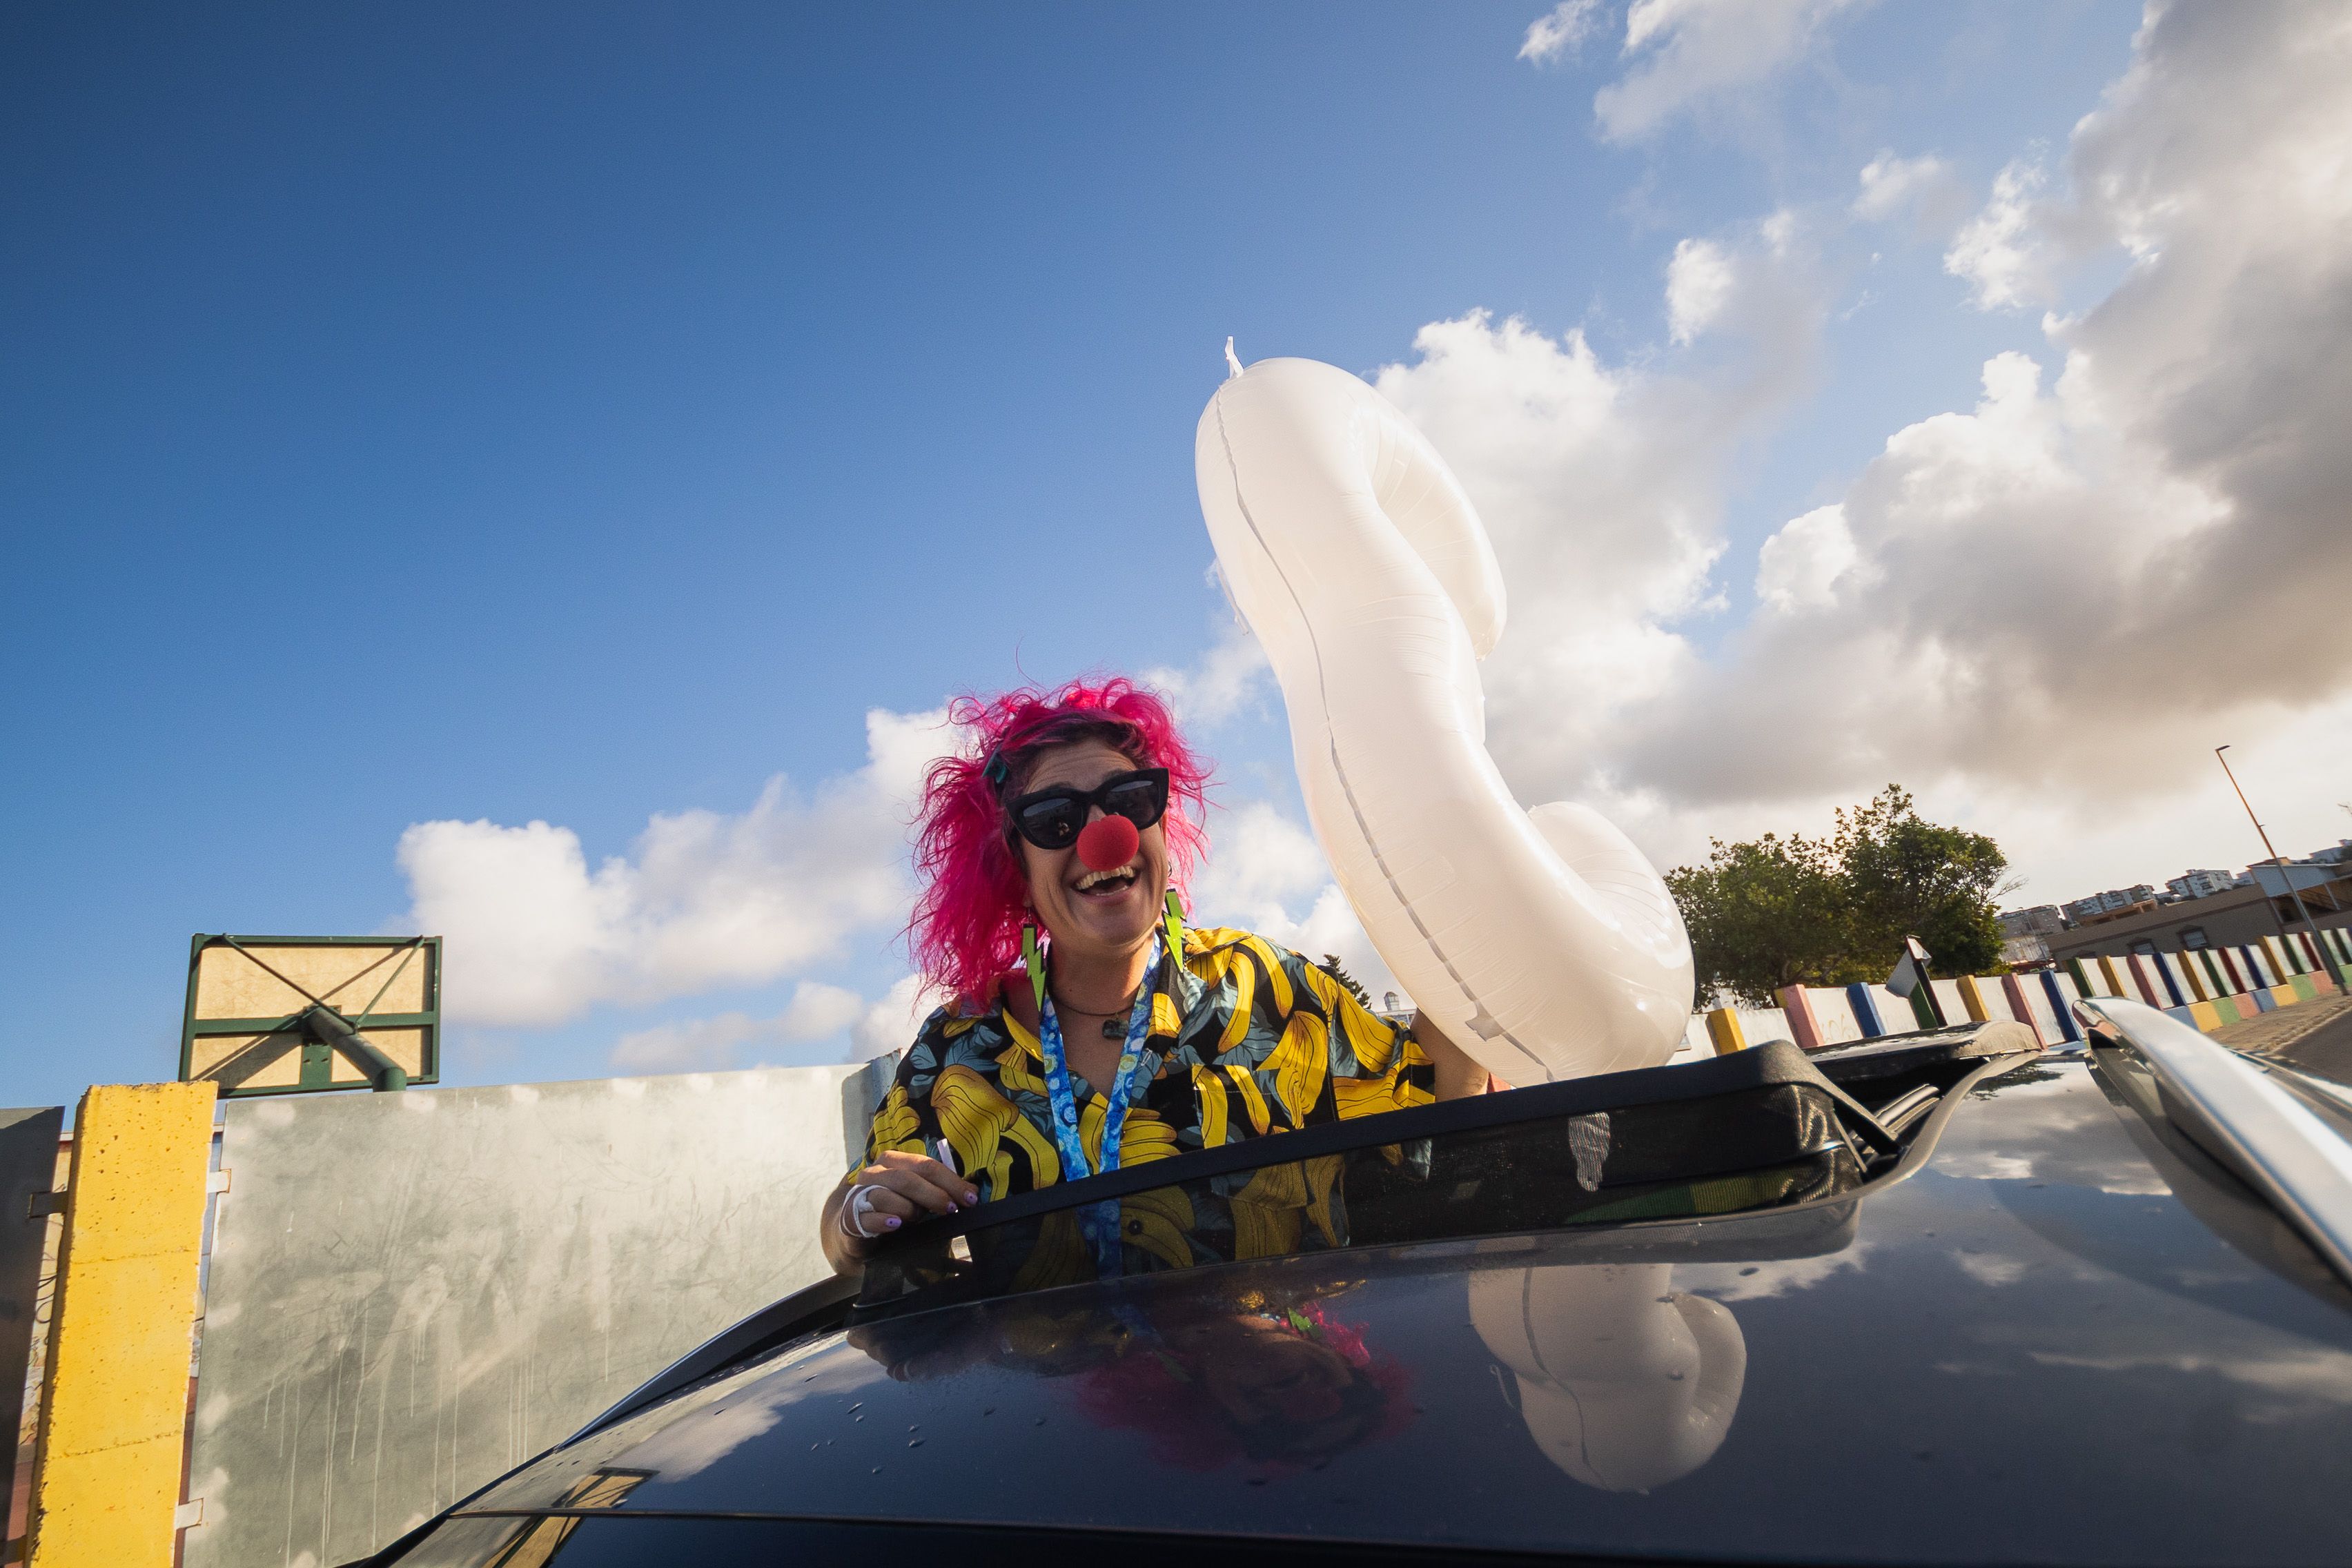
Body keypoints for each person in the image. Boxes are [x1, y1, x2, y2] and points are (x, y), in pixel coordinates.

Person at [821, 676, 1487, 1276]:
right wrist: (854, 1216)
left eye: (1129, 799)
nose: (1102, 835)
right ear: (1014, 869)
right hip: (1048, 1414)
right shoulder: (964, 1041)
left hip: (1287, 1398)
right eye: (1055, 820)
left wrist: (1477, 884)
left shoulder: (1258, 981)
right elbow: (853, 1213)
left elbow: (1439, 1108)